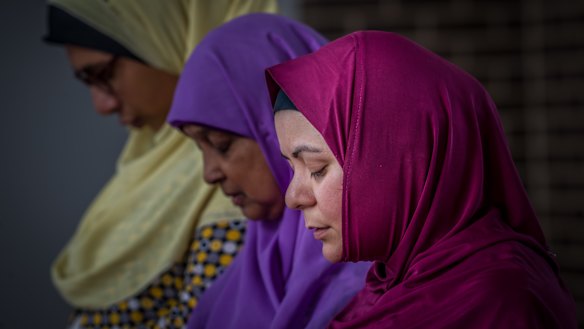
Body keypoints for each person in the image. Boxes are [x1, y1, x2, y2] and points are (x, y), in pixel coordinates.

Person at [269, 31, 577, 328]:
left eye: (316, 168)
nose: (293, 197)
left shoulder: (497, 301)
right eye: (292, 168)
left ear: (400, 162)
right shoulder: (387, 283)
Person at [44, 1, 277, 328]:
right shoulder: (146, 164)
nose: (102, 105)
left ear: (163, 36)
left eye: (103, 74)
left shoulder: (246, 187)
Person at [167, 14, 370, 329]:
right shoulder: (244, 274)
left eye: (221, 144)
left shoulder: (369, 280)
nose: (209, 174)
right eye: (199, 148)